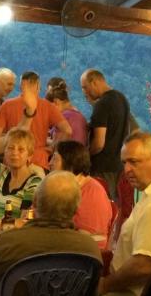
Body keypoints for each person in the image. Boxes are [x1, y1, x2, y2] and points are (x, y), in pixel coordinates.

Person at [76, 132, 151, 296]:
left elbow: (144, 266)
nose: (127, 170)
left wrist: (105, 285)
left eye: (134, 162)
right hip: (140, 291)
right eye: (124, 163)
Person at [0, 70, 71, 168]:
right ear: (38, 86)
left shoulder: (7, 105)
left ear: (21, 86)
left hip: (13, 158)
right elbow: (67, 130)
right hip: (39, 159)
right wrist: (52, 148)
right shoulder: (47, 106)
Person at [80, 69, 131, 200]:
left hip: (102, 167)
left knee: (100, 202)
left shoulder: (102, 104)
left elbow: (99, 143)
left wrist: (84, 155)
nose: (84, 92)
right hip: (119, 164)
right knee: (114, 206)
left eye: (85, 87)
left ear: (94, 82)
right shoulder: (122, 99)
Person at [50, 140, 112, 245]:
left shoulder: (93, 193)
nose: (50, 163)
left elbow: (90, 238)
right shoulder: (60, 186)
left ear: (70, 163)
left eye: (55, 159)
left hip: (82, 253)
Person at [47, 76, 88, 145]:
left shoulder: (63, 117)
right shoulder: (77, 114)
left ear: (56, 102)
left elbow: (56, 144)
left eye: (50, 108)